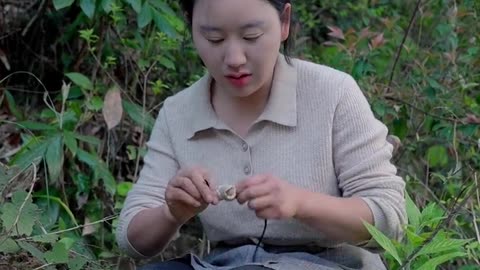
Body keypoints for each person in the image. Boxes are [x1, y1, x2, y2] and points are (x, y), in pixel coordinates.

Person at [116, 0, 407, 269]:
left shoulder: (333, 94)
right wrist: (172, 213)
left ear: (284, 22)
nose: (234, 58)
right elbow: (132, 240)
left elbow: (389, 218)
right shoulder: (178, 113)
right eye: (214, 39)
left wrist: (300, 203)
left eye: (251, 36)